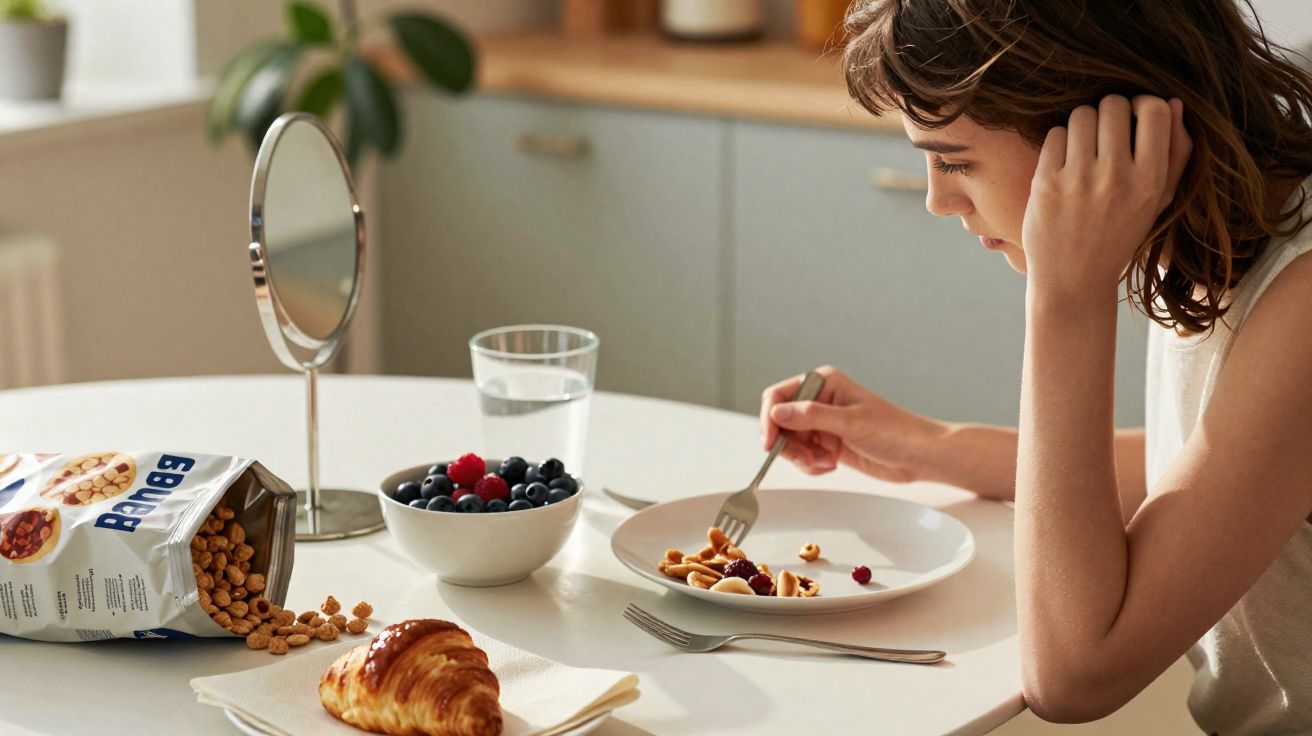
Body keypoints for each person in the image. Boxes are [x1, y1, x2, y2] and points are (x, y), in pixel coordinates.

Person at [759, 1, 1312, 731]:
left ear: (1108, 129)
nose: (938, 199)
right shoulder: (1237, 233)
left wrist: (1065, 298)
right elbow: (1208, 470)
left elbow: (1073, 675)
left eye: (954, 159)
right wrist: (930, 446)